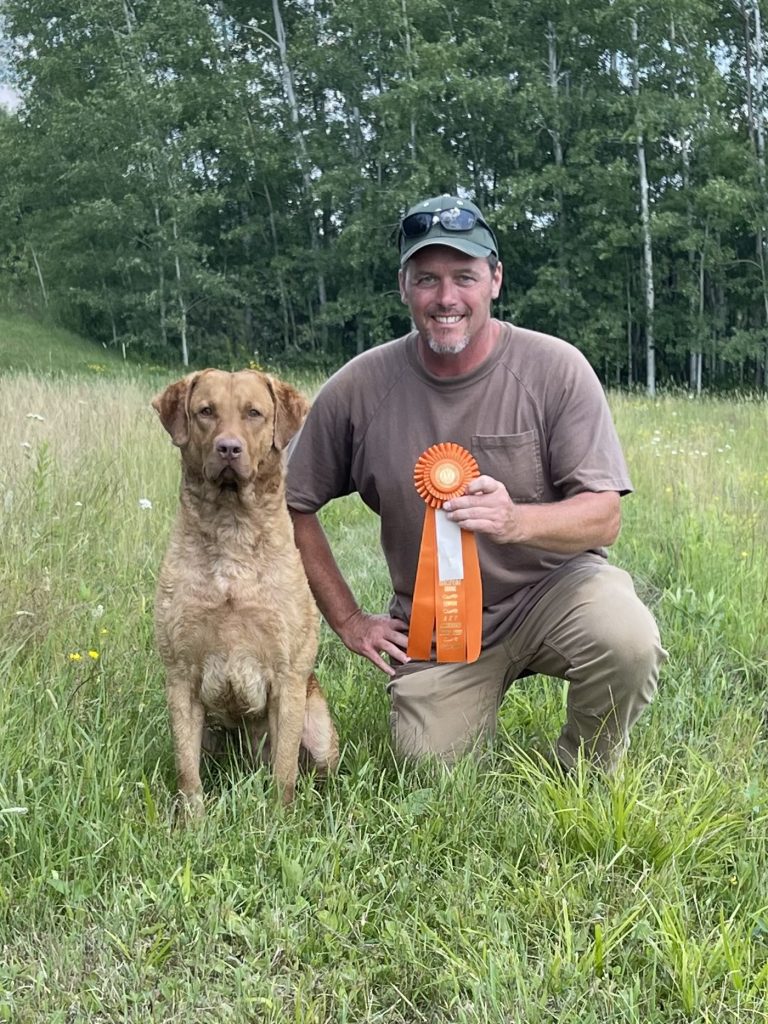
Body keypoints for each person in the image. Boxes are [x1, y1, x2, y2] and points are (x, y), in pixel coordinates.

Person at [286, 193, 666, 771]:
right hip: (439, 627)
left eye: (464, 276)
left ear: (495, 280)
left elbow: (604, 515)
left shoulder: (556, 369)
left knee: (627, 639)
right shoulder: (360, 388)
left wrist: (517, 521)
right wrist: (348, 619)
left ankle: (583, 772)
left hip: (554, 592)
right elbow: (291, 502)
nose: (446, 298)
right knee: (429, 769)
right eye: (427, 279)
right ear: (404, 286)